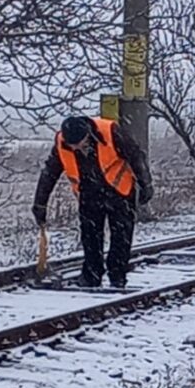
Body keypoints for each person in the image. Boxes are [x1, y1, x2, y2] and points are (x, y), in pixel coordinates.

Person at [32, 115, 153, 289]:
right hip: (88, 194)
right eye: (71, 145)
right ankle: (91, 276)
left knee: (121, 237)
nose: (75, 148)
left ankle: (117, 277)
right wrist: (40, 204)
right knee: (90, 237)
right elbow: (49, 173)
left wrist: (145, 184)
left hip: (120, 191)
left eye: (78, 143)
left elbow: (136, 156)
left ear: (87, 134)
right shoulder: (62, 143)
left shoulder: (111, 131)